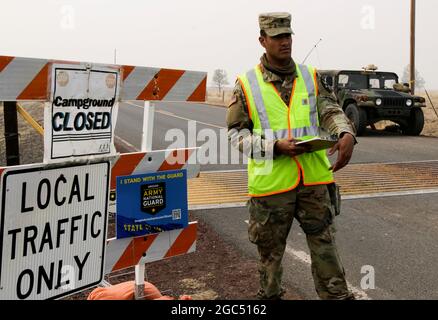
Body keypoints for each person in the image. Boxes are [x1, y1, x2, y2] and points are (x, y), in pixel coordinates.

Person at [226, 12, 357, 300]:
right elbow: (236, 135)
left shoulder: (310, 77)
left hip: (313, 180)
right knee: (270, 258)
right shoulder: (246, 83)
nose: (285, 42)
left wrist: (346, 132)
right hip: (272, 186)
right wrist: (275, 147)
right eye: (277, 37)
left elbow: (331, 110)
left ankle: (336, 296)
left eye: (288, 36)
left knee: (325, 247)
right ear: (263, 41)